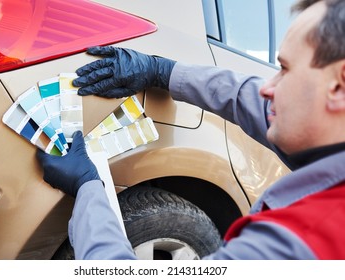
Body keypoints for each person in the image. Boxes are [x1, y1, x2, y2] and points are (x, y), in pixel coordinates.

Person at [36, 0, 345, 259]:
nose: (267, 87)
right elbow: (247, 99)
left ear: (339, 86)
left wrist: (89, 188)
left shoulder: (299, 244)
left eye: (285, 69)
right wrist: (163, 72)